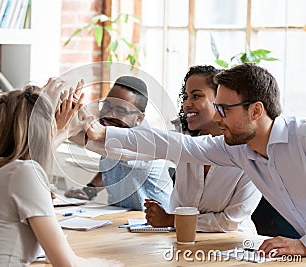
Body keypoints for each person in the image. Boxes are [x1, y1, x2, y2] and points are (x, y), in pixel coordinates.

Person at [85, 63, 306, 257]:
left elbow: (232, 220)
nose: (217, 117)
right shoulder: (238, 150)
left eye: (224, 110)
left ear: (256, 110)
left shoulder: (301, 139)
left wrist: (302, 245)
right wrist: (101, 134)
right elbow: (175, 145)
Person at [0, 85, 121, 267]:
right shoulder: (24, 173)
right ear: (49, 130)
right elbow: (67, 264)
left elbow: (28, 150)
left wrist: (64, 132)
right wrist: (109, 264)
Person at [144, 65, 261, 234]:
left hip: (234, 247)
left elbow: (231, 221)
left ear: (220, 100)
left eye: (196, 96)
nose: (186, 104)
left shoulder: (248, 153)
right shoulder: (185, 147)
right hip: (184, 243)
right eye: (185, 97)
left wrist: (171, 219)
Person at [65, 76, 173, 211]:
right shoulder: (113, 133)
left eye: (120, 111)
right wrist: (89, 191)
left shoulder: (146, 144)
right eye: (107, 106)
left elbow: (88, 139)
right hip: (121, 220)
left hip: (153, 227)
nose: (109, 114)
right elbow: (111, 165)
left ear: (139, 118)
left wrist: (75, 111)